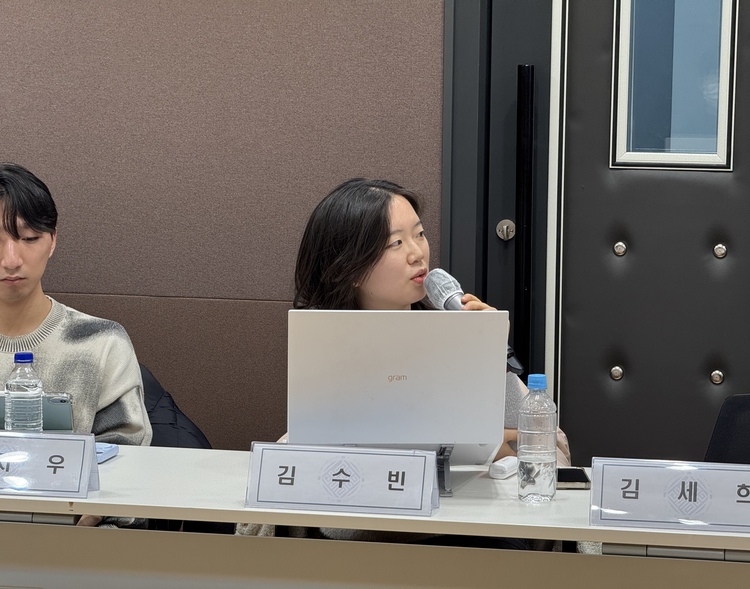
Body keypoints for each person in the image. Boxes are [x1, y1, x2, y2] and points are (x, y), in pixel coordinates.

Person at [237, 178, 570, 545]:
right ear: (347, 267)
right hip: (355, 532)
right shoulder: (326, 345)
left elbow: (543, 447)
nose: (418, 254)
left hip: (463, 527)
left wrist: (490, 353)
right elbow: (319, 450)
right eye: (396, 243)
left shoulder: (458, 334)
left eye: (420, 234)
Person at [0, 163, 152, 525]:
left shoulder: (101, 343)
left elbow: (130, 462)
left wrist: (86, 527)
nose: (11, 259)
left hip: (70, 541)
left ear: (53, 240)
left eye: (29, 238)